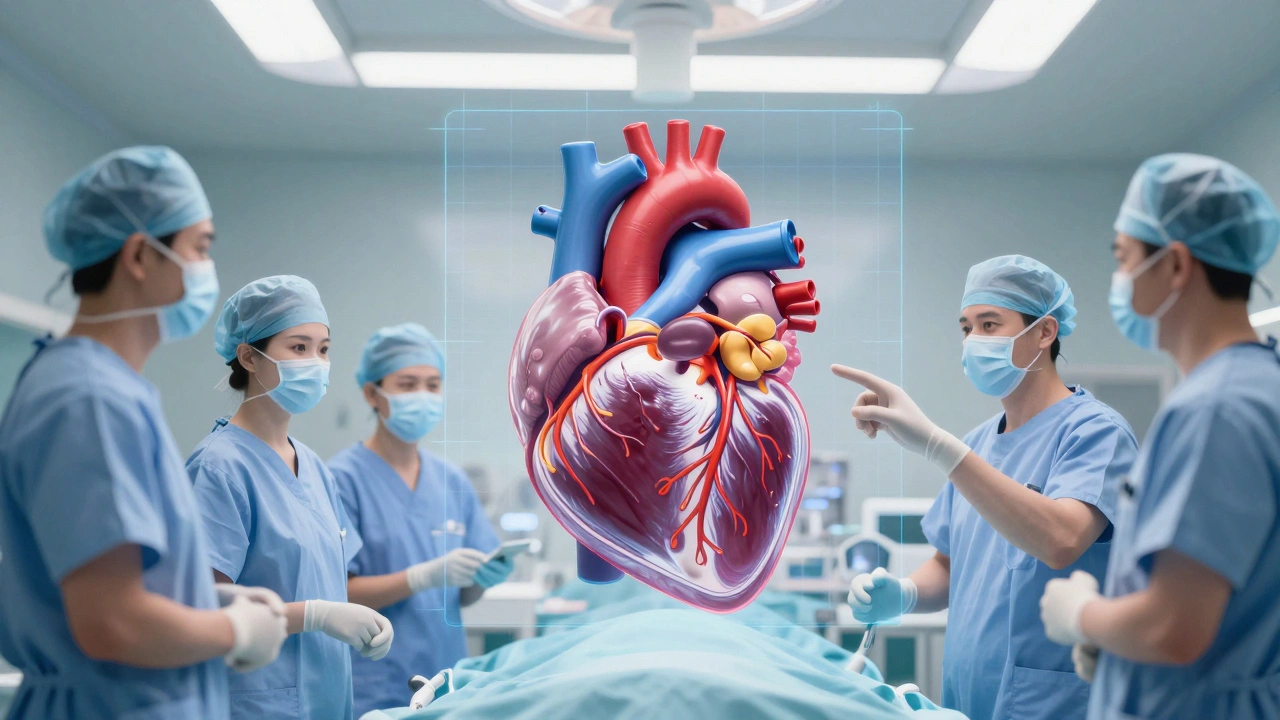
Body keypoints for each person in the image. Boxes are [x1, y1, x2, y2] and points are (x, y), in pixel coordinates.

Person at [0, 147, 288, 720]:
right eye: (200, 247)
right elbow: (112, 623)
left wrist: (205, 600)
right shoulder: (89, 399)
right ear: (138, 254)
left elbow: (108, 588)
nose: (208, 266)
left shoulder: (95, 386)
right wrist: (232, 630)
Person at [832, 255, 1138, 719]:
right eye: (966, 327)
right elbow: (950, 564)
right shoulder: (977, 445)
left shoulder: (1095, 433)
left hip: (1054, 702)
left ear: (1044, 332)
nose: (974, 340)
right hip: (967, 697)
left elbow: (1061, 540)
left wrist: (941, 448)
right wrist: (905, 594)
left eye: (990, 324)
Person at [1040, 154, 1280, 719]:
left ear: (1174, 265)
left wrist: (1084, 615)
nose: (1119, 281)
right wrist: (1121, 651)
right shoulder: (1260, 387)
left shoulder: (1215, 409)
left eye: (1124, 259)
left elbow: (1175, 628)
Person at [187, 276, 394, 719]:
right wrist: (317, 615)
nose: (316, 363)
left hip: (327, 699)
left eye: (323, 349)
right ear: (248, 356)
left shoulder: (315, 468)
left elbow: (327, 580)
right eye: (298, 348)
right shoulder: (219, 467)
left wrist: (360, 623)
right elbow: (206, 609)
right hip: (255, 703)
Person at [328, 323, 511, 717]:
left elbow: (462, 593)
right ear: (371, 394)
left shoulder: (451, 480)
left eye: (433, 385)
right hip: (373, 681)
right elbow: (336, 592)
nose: (423, 396)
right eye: (407, 384)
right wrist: (421, 577)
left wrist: (483, 577)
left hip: (445, 681)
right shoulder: (342, 480)